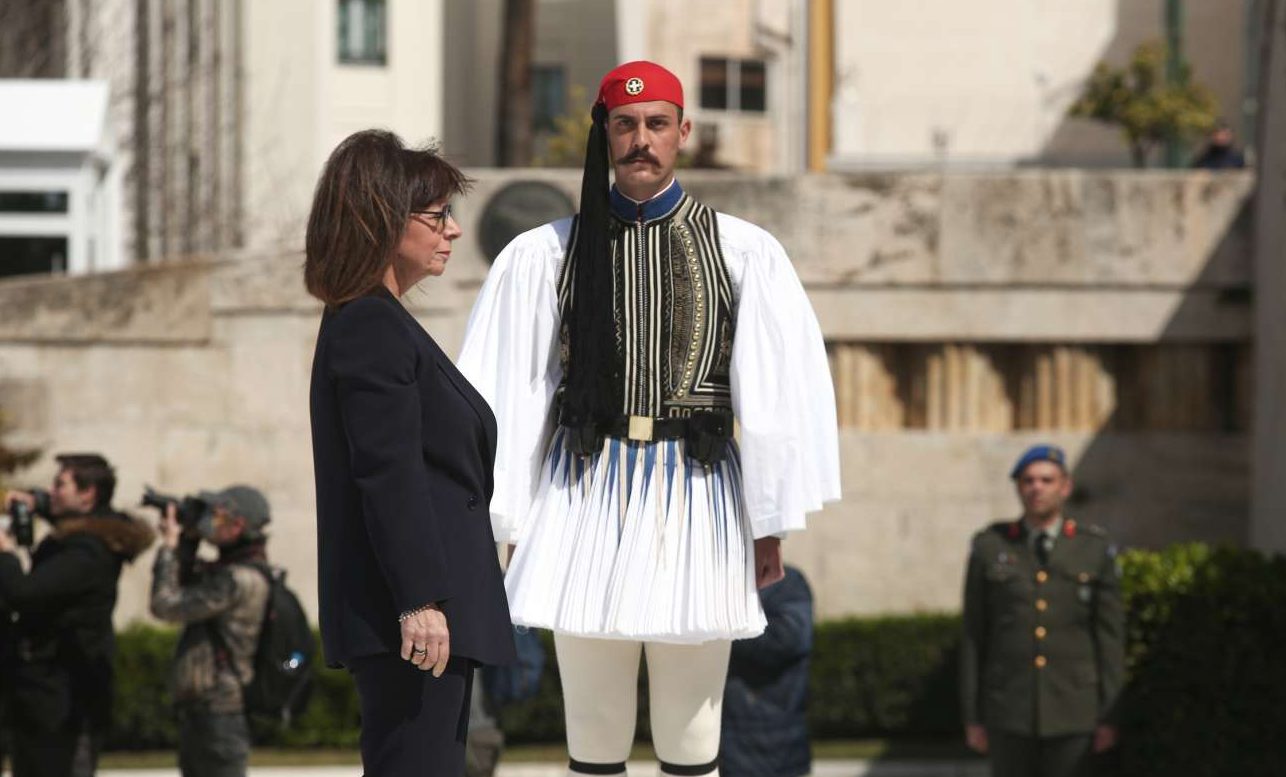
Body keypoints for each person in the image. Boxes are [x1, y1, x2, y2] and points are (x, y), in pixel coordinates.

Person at [458, 61, 840, 777]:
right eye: (626, 125)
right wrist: (508, 520)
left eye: (657, 124)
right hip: (583, 494)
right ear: (604, 133)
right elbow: (512, 395)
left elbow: (771, 400)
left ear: (683, 132)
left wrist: (769, 523)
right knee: (593, 730)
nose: (641, 139)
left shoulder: (741, 251)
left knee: (691, 734)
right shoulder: (547, 254)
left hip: (696, 492)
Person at [306, 129, 516, 777]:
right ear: (383, 220)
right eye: (437, 215)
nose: (453, 230)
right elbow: (387, 474)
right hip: (414, 622)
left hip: (426, 615)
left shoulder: (380, 322)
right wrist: (419, 600)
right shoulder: (370, 325)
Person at [960, 445, 1125, 777]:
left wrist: (1110, 715)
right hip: (1009, 708)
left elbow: (1109, 639)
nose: (1037, 488)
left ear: (1065, 487)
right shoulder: (991, 546)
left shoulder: (1092, 548)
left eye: (1047, 480)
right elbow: (974, 635)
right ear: (1018, 488)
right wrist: (972, 716)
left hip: (1074, 709)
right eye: (1028, 480)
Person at [0, 454, 154, 777]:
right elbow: (73, 521)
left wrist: (6, 555)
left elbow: (26, 594)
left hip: (67, 705)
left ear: (88, 494)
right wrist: (34, 503)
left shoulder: (88, 552)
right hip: (42, 700)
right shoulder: (82, 537)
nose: (51, 491)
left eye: (60, 485)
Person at [148, 486, 274, 777]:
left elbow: (165, 605)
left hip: (220, 713)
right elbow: (186, 583)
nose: (209, 522)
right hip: (206, 711)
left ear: (238, 524)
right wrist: (189, 541)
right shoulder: (230, 570)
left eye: (216, 515)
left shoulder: (236, 579)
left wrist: (169, 547)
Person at [720, 566, 814, 777]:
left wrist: (720, 631)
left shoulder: (787, 582)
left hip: (778, 746)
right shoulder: (720, 580)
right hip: (727, 745)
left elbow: (787, 638)